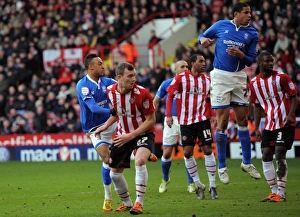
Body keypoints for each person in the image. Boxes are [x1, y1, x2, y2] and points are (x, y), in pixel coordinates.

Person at [198, 2, 261, 184]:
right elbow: (203, 35)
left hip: (238, 77)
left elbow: (250, 60)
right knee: (223, 121)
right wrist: (203, 39)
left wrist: (240, 54)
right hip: (220, 77)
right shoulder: (221, 25)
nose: (250, 15)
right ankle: (222, 167)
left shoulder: (253, 33)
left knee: (242, 120)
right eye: (246, 12)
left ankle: (247, 163)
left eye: (250, 12)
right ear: (236, 13)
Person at [94, 62, 156, 214]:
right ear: (119, 78)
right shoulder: (110, 91)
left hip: (142, 133)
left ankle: (138, 204)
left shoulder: (143, 94)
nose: (133, 79)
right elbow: (116, 113)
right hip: (123, 135)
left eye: (134, 75)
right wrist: (105, 126)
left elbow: (151, 121)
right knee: (114, 173)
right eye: (130, 76)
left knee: (140, 161)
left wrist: (131, 136)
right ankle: (127, 203)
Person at [166, 54, 218, 200]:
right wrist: (169, 115)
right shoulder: (180, 79)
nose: (204, 63)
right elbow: (170, 96)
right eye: (201, 61)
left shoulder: (207, 80)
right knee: (188, 152)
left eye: (204, 61)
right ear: (193, 63)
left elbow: (209, 99)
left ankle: (213, 185)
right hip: (186, 122)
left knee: (207, 149)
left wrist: (213, 113)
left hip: (202, 120)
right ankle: (198, 184)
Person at [249, 51, 298, 202]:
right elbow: (257, 106)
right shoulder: (254, 84)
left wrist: (290, 115)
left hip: (285, 123)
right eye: (267, 61)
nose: (271, 63)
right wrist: (257, 127)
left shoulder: (281, 77)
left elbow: (294, 96)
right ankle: (273, 192)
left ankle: (281, 193)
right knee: (265, 154)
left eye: (272, 61)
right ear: (260, 63)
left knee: (279, 152)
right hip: (269, 125)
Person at [76, 53, 117, 212]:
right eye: (100, 63)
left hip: (110, 121)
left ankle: (143, 146)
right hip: (94, 128)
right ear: (90, 66)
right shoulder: (83, 85)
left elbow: (123, 85)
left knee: (133, 124)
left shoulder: (107, 81)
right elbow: (93, 108)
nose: (103, 66)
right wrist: (114, 111)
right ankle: (108, 196)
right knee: (107, 159)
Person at [153, 60, 196, 193]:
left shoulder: (193, 82)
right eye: (182, 67)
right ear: (175, 70)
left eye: (187, 67)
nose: (185, 69)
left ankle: (191, 183)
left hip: (187, 120)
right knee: (166, 153)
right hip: (171, 121)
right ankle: (165, 179)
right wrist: (153, 118)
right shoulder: (167, 83)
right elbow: (156, 100)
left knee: (188, 153)